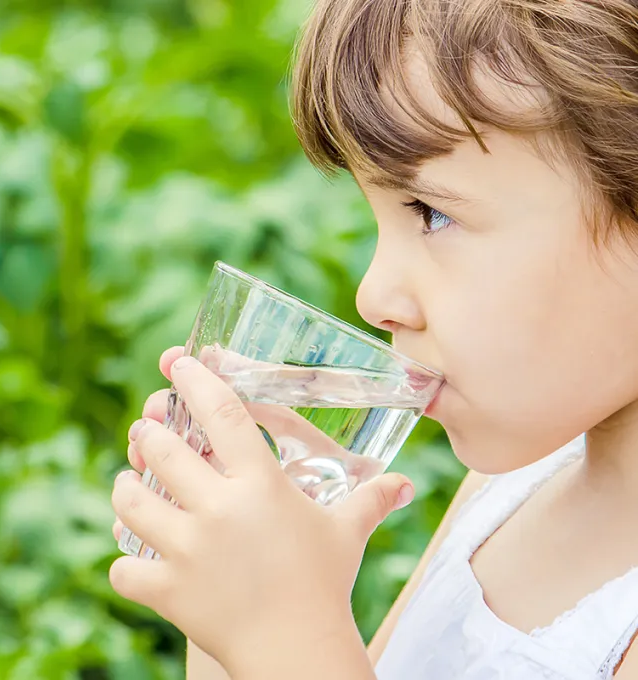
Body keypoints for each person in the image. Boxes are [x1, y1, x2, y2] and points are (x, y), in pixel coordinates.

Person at [109, 0, 638, 678]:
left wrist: (284, 639)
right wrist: (240, 609)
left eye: (432, 213)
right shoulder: (507, 493)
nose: (373, 296)